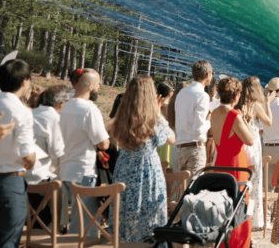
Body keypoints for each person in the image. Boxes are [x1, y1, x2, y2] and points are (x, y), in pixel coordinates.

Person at [108, 75, 175, 242]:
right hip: (147, 171)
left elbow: (109, 131)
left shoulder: (122, 117)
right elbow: (171, 139)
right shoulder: (153, 119)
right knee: (148, 218)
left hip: (123, 168)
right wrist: (158, 112)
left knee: (124, 213)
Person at [0, 59, 37, 248]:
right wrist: (32, 160)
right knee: (8, 241)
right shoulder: (21, 111)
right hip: (11, 182)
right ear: (25, 81)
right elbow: (27, 154)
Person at [60, 68, 110, 238]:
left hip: (62, 170)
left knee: (65, 222)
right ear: (89, 85)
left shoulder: (62, 106)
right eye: (97, 84)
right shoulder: (89, 110)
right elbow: (103, 143)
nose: (99, 87)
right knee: (84, 225)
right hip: (84, 172)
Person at [212, 77, 256, 248]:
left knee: (223, 205)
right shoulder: (234, 115)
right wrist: (248, 120)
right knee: (239, 205)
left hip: (220, 162)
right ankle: (239, 243)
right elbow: (250, 140)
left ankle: (224, 242)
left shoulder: (215, 112)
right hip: (236, 165)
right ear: (236, 96)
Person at [27, 85, 71, 229]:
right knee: (60, 178)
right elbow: (57, 152)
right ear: (61, 104)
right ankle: (57, 228)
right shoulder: (54, 119)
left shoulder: (30, 113)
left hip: (22, 176)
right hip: (41, 179)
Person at [235, 76, 275, 230]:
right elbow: (269, 122)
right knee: (254, 184)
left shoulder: (239, 103)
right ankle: (252, 220)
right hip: (253, 143)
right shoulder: (256, 104)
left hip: (241, 143)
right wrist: (268, 104)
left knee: (244, 182)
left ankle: (241, 217)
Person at [173, 61, 214, 176]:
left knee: (184, 189)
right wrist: (209, 120)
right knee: (194, 191)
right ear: (208, 74)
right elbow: (198, 129)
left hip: (180, 148)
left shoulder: (181, 93)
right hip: (195, 148)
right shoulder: (202, 95)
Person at [156, 81, 173, 169]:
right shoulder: (168, 108)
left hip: (157, 137)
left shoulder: (156, 106)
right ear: (170, 93)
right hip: (166, 138)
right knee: (166, 164)